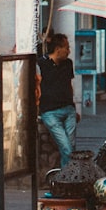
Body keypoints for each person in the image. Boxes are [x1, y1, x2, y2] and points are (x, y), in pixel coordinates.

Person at [38, 33, 80, 167]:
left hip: (68, 109)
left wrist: (74, 107)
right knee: (66, 147)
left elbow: (69, 84)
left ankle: (66, 175)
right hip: (49, 111)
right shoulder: (42, 63)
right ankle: (66, 180)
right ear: (58, 49)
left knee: (71, 146)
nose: (69, 51)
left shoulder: (68, 64)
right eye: (66, 48)